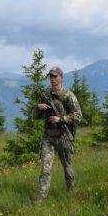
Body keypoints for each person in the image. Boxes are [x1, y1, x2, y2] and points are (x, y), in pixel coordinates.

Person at [36, 66, 82, 202]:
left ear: (61, 77)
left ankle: (71, 191)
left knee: (67, 167)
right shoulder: (45, 95)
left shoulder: (68, 95)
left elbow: (78, 116)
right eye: (51, 76)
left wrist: (61, 119)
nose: (52, 79)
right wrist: (38, 108)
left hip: (64, 136)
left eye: (55, 76)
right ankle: (41, 197)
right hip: (48, 136)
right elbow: (36, 116)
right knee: (45, 168)